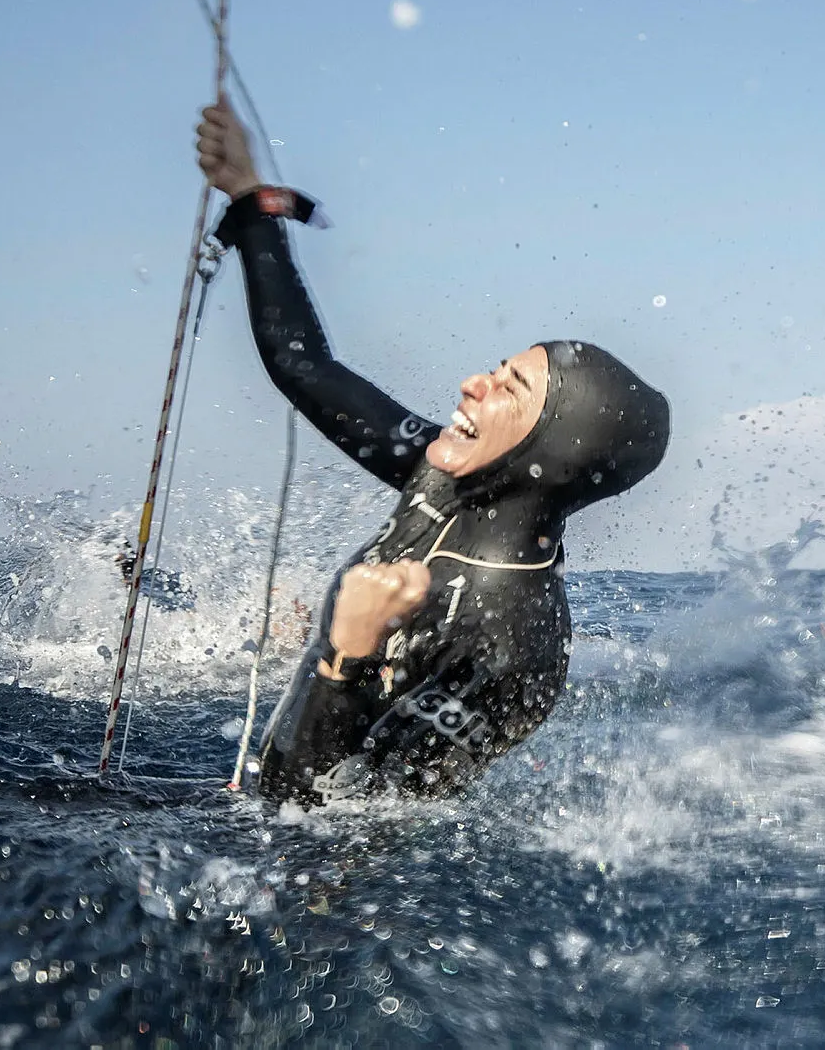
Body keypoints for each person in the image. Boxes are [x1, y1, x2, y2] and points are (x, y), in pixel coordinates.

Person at [195, 98, 671, 806]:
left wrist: (343, 659)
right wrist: (251, 199)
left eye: (507, 385)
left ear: (552, 448)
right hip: (245, 817)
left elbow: (344, 818)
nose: (471, 384)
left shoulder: (516, 643)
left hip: (312, 890)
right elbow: (306, 368)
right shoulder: (456, 478)